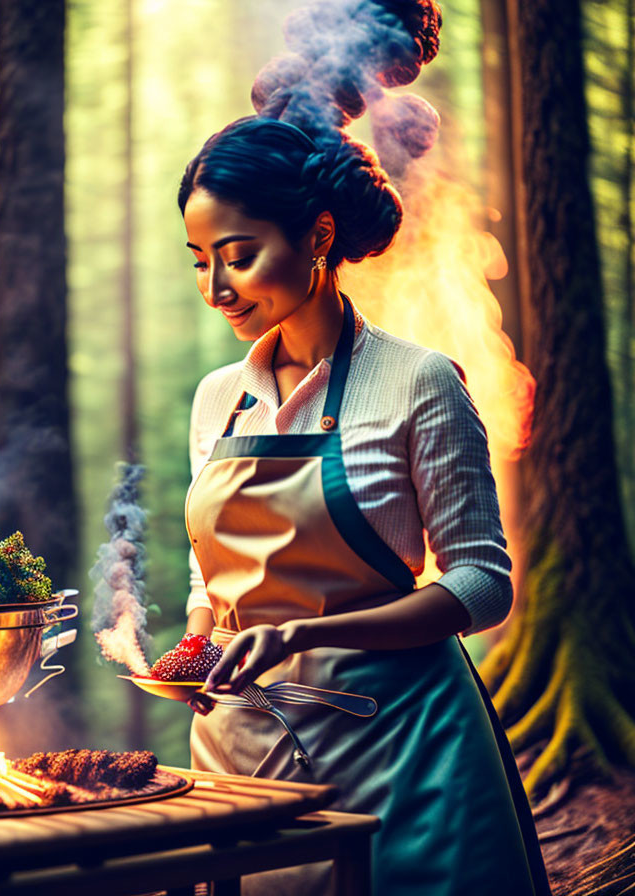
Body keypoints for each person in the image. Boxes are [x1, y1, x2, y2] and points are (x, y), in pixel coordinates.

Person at [175, 5, 553, 895]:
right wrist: (195, 649)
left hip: (405, 757)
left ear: (317, 237)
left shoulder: (421, 381)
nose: (216, 287)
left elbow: (479, 585)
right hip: (242, 760)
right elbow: (211, 578)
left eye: (238, 254)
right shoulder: (215, 400)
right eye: (198, 259)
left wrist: (310, 633)